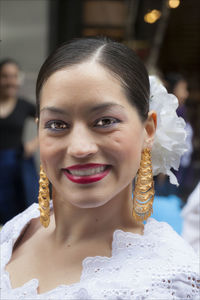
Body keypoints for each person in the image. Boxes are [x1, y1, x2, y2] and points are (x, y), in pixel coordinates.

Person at [1, 38, 199, 299]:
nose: (80, 148)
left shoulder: (170, 280)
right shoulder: (19, 229)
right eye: (57, 125)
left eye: (105, 121)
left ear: (148, 130)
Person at [0, 59, 38, 224]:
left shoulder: (24, 105)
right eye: (5, 76)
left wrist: (34, 144)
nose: (10, 81)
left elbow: (50, 121)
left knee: (17, 212)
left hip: (16, 165)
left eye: (14, 76)